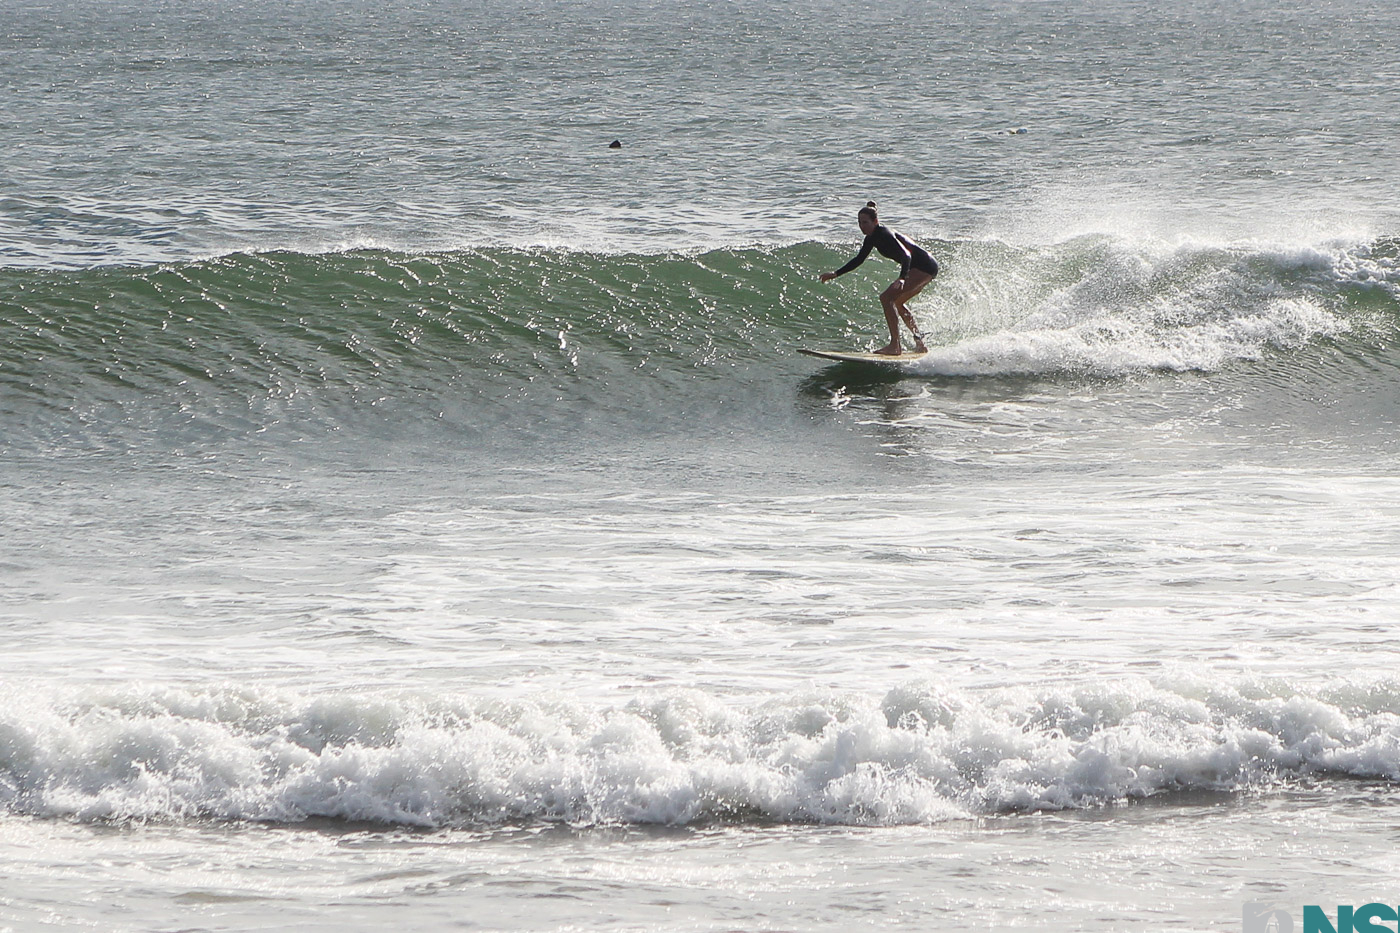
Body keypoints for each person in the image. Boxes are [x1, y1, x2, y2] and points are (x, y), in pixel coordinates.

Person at [819, 202, 939, 355]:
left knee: (886, 297)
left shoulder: (884, 234)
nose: (862, 226)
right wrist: (835, 274)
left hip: (924, 266)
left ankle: (895, 346)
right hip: (923, 267)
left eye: (865, 222)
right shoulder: (871, 238)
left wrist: (902, 278)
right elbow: (859, 259)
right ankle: (920, 344)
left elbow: (906, 255)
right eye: (859, 223)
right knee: (897, 302)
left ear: (875, 221)